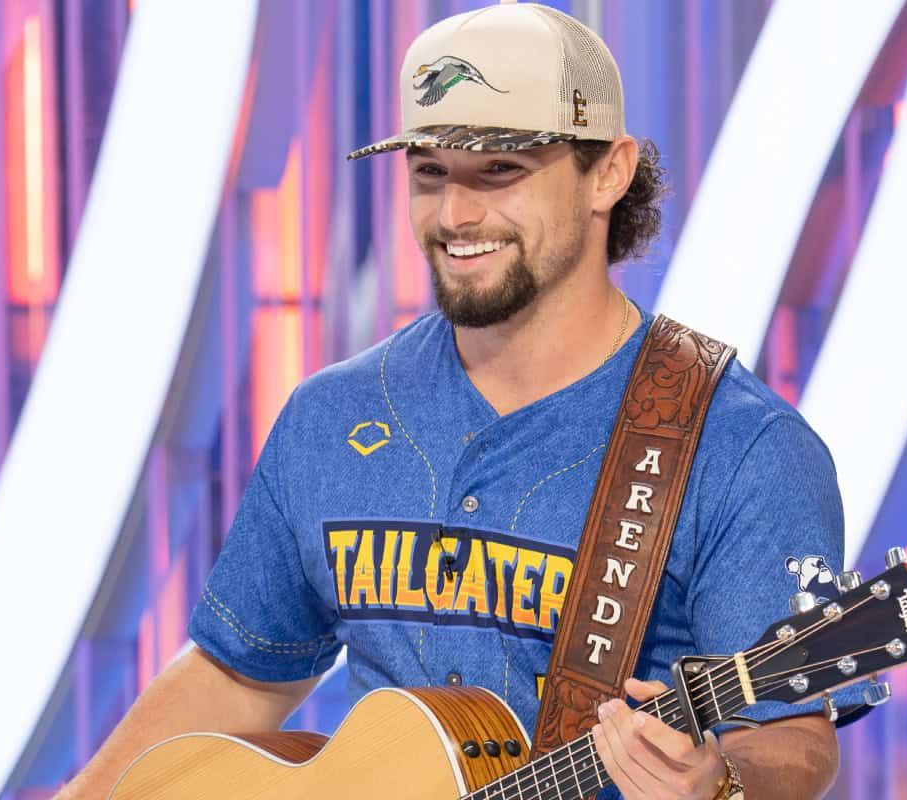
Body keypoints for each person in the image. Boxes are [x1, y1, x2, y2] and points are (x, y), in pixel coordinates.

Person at [60, 2, 865, 798]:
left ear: (608, 173)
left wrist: (720, 783)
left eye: (501, 171)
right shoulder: (330, 417)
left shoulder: (742, 447)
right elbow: (238, 676)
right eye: (430, 174)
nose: (455, 215)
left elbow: (791, 737)